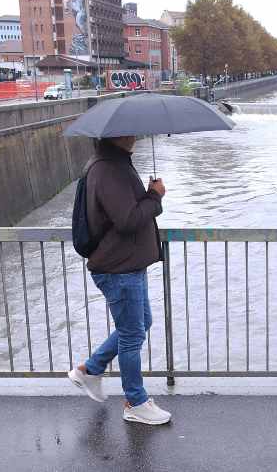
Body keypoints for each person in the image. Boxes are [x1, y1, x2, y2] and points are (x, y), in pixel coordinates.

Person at [68, 136, 172, 425]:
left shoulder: (113, 164)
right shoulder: (108, 170)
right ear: (115, 135)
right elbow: (127, 220)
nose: (136, 135)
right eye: (131, 131)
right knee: (132, 335)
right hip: (119, 267)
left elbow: (122, 214)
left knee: (139, 326)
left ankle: (89, 370)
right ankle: (135, 402)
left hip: (125, 264)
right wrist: (154, 197)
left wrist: (148, 195)